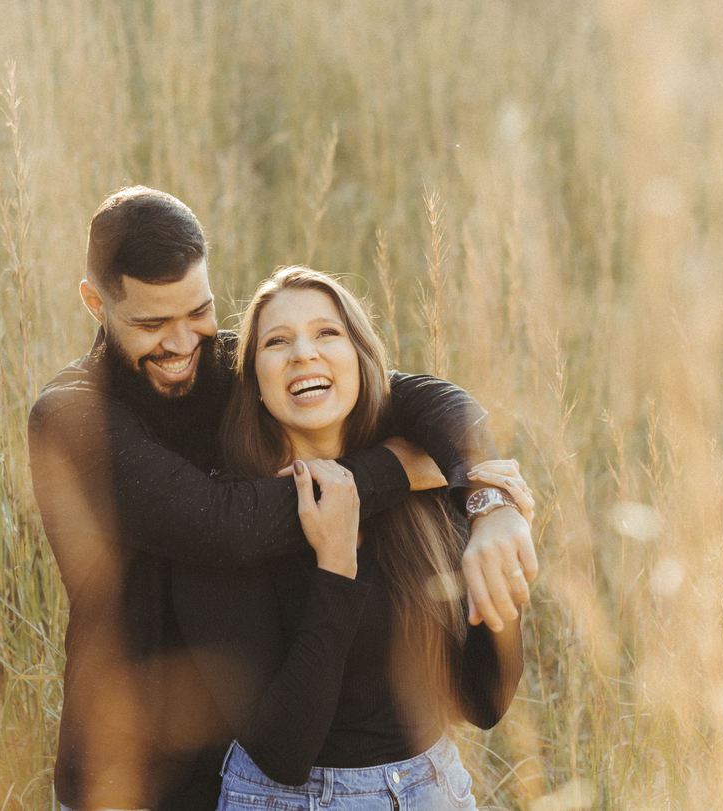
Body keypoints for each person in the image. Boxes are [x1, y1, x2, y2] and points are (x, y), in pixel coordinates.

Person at [27, 188, 537, 811]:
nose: (184, 343)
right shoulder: (71, 417)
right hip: (128, 773)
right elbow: (220, 526)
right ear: (94, 302)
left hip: (238, 765)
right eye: (151, 323)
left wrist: (489, 498)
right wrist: (393, 469)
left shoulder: (227, 369)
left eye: (200, 312)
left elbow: (412, 394)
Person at [172, 266, 533, 810]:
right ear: (253, 378)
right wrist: (336, 564)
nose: (303, 354)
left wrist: (498, 564)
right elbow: (284, 751)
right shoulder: (228, 524)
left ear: (361, 358)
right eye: (276, 341)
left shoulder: (420, 482)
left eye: (327, 333)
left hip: (434, 788)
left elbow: (483, 704)